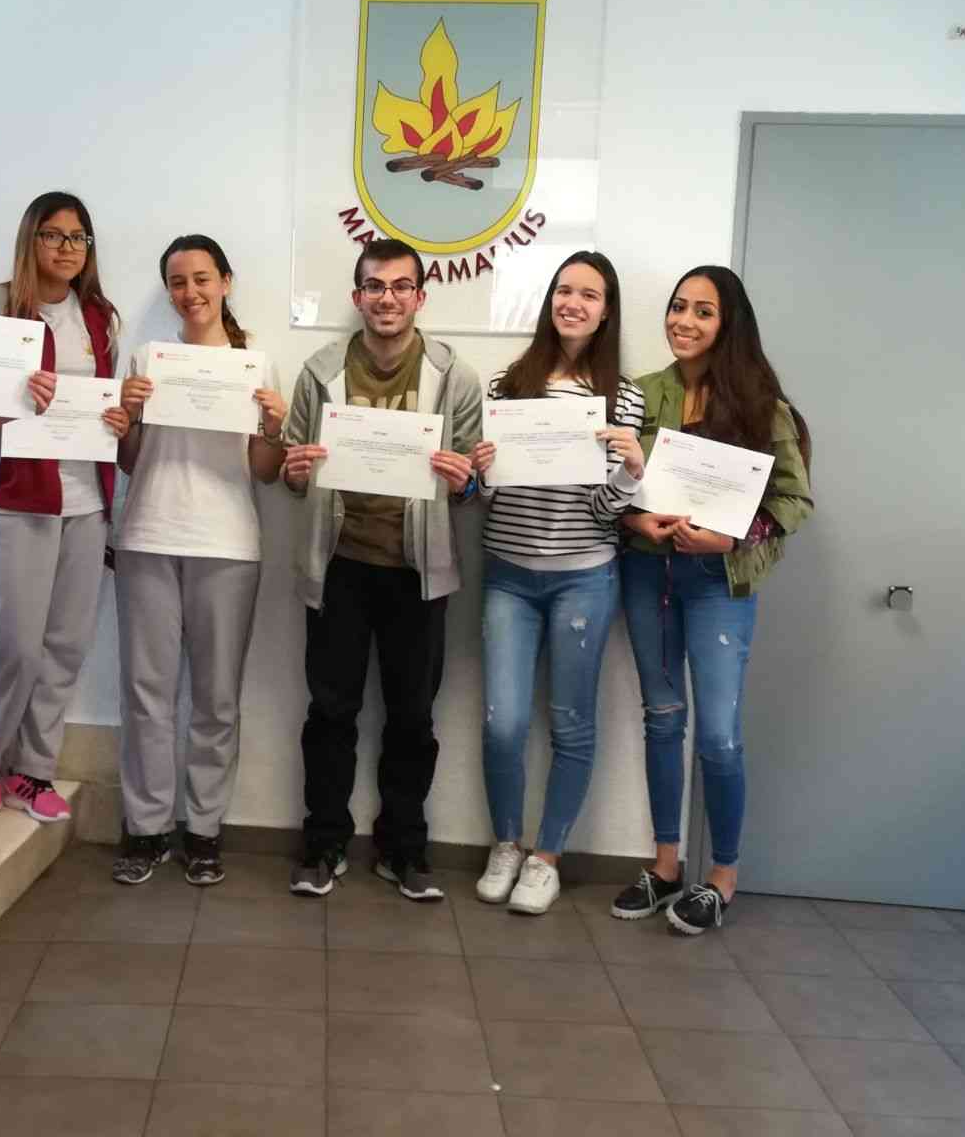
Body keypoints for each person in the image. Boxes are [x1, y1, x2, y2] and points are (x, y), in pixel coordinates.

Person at [611, 265, 813, 934]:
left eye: (703, 311)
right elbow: (608, 485)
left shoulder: (762, 406)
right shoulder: (640, 394)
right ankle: (666, 865)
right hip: (648, 574)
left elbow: (793, 501)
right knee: (663, 719)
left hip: (719, 584)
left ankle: (723, 876)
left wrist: (731, 538)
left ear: (729, 325)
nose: (684, 321)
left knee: (719, 737)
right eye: (678, 307)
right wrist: (635, 520)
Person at [281, 237, 482, 901]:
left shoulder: (454, 377)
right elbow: (291, 471)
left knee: (413, 718)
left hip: (418, 572)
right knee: (330, 712)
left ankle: (405, 849)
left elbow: (473, 487)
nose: (387, 298)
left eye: (400, 286)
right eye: (374, 286)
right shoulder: (319, 371)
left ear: (420, 297)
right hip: (338, 565)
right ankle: (323, 843)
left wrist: (463, 480)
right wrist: (295, 470)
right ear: (357, 296)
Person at [468, 252, 646, 915]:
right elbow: (487, 496)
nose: (573, 303)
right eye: (564, 291)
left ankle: (547, 858)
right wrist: (484, 472)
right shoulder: (506, 385)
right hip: (509, 579)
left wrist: (630, 472)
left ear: (606, 311)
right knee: (504, 723)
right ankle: (506, 843)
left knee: (571, 723)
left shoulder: (623, 397)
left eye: (589, 295)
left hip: (585, 579)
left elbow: (604, 510)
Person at [109, 235, 286, 887]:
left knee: (216, 700)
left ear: (226, 282)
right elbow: (130, 462)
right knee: (146, 694)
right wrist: (128, 417)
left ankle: (204, 831)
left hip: (228, 544)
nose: (191, 292)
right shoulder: (146, 360)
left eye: (202, 278)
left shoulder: (254, 365)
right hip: (149, 536)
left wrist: (273, 428)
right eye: (179, 282)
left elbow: (263, 471)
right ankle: (146, 827)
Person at [0, 192, 128, 828]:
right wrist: (12, 394)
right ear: (30, 239)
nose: (66, 248)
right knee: (15, 646)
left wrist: (117, 418)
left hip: (85, 501)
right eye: (52, 235)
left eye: (78, 237)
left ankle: (32, 771)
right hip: (15, 499)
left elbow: (102, 401)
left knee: (64, 646)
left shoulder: (99, 317)